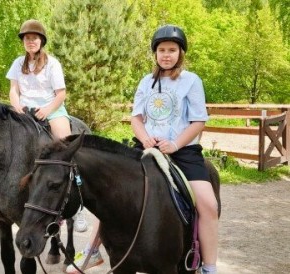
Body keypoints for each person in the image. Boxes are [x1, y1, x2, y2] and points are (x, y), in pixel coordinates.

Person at [67, 25, 219, 274]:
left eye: (172, 50)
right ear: (155, 53)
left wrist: (175, 144)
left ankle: (209, 267)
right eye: (162, 50)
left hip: (182, 150)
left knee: (208, 205)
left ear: (181, 53)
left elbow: (198, 121)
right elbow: (136, 118)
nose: (166, 54)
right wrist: (146, 138)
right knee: (110, 192)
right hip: (146, 147)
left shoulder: (191, 81)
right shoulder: (146, 82)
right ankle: (94, 250)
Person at [0, 19, 88, 232]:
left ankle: (79, 208)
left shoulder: (52, 63)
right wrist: (16, 105)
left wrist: (47, 110)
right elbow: (13, 89)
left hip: (51, 110)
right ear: (23, 41)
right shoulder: (18, 63)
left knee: (66, 148)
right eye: (27, 38)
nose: (31, 42)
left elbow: (61, 94)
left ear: (41, 41)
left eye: (34, 38)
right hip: (23, 111)